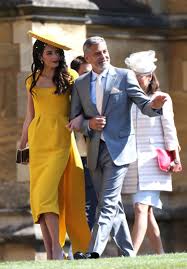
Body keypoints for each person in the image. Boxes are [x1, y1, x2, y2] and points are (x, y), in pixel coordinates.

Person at [68, 36, 167, 259]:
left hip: (119, 150)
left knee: (106, 203)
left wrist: (155, 106)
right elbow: (74, 118)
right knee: (115, 207)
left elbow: (144, 105)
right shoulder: (80, 83)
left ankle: (93, 253)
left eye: (105, 51)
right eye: (97, 53)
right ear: (87, 57)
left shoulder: (124, 76)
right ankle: (129, 255)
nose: (103, 56)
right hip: (94, 151)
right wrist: (88, 124)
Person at [18, 30, 91, 260]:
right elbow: (29, 116)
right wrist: (22, 146)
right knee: (39, 198)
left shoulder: (69, 76)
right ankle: (51, 254)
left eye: (57, 53)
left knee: (48, 194)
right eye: (50, 53)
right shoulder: (31, 80)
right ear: (40, 55)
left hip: (61, 141)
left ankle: (58, 250)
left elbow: (81, 108)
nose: (56, 57)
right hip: (38, 143)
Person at [123, 50, 182, 255]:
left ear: (150, 77)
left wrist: (175, 158)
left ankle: (128, 255)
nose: (138, 81)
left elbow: (169, 130)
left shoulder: (161, 98)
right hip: (133, 162)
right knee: (147, 213)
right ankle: (161, 254)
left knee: (140, 208)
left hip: (153, 162)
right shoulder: (128, 99)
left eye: (141, 77)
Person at [70, 56, 97, 231]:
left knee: (95, 202)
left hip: (95, 154)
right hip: (77, 156)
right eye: (85, 74)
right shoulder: (69, 97)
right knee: (85, 204)